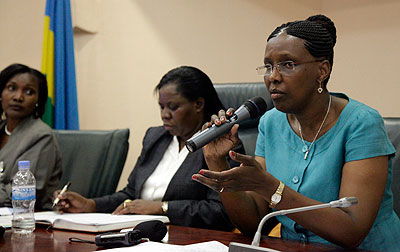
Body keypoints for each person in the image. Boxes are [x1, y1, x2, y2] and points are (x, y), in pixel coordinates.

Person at [192, 15, 400, 251]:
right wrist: (217, 161)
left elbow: (352, 230)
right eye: (268, 66)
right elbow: (252, 222)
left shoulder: (362, 123)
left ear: (322, 70)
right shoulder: (270, 122)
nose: (273, 77)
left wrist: (270, 188)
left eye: (288, 64)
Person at [55, 66, 239, 231]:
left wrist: (163, 208)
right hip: (140, 233)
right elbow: (131, 194)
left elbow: (220, 211)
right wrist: (90, 204)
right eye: (161, 107)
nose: (164, 115)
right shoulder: (155, 137)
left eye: (173, 107)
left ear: (198, 104)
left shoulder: (219, 145)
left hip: (184, 237)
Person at [0, 63, 62, 210]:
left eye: (29, 92)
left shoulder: (40, 136)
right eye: (11, 88)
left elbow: (23, 192)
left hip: (31, 222)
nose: (18, 97)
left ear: (38, 101)